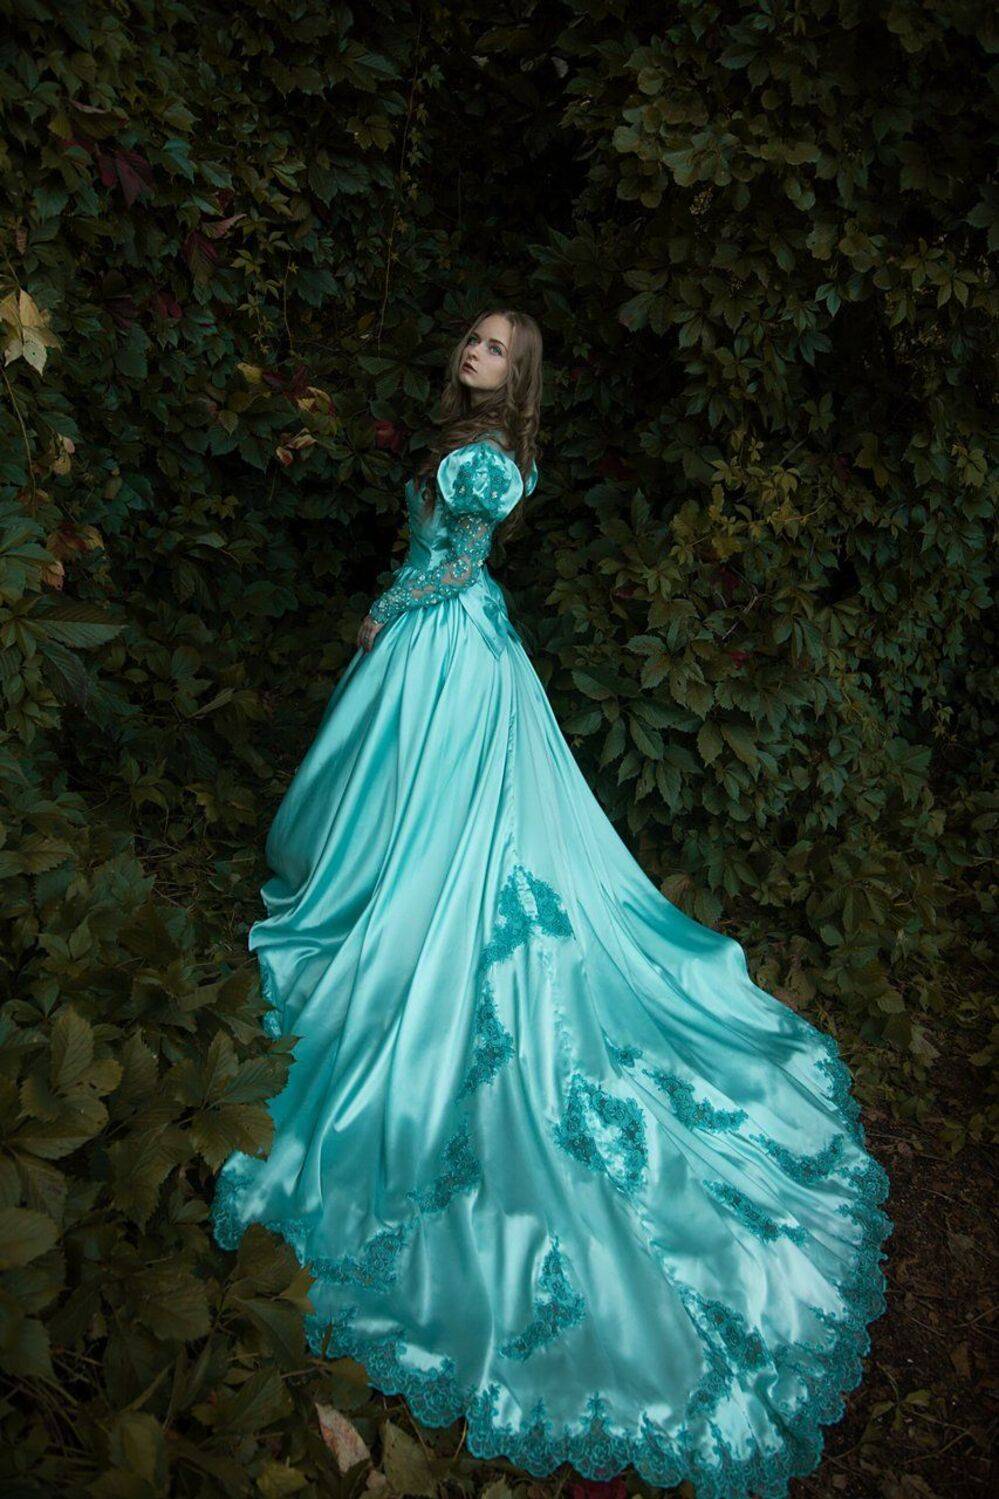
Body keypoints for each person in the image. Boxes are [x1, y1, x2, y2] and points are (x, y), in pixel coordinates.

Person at [211, 307, 892, 1497]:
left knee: (452, 831)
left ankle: (407, 926)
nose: (470, 352)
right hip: (448, 642)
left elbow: (452, 562)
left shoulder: (487, 460)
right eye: (469, 339)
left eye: (492, 348)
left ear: (516, 375)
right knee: (392, 813)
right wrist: (397, 603)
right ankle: (377, 901)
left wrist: (386, 613)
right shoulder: (466, 442)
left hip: (449, 650)